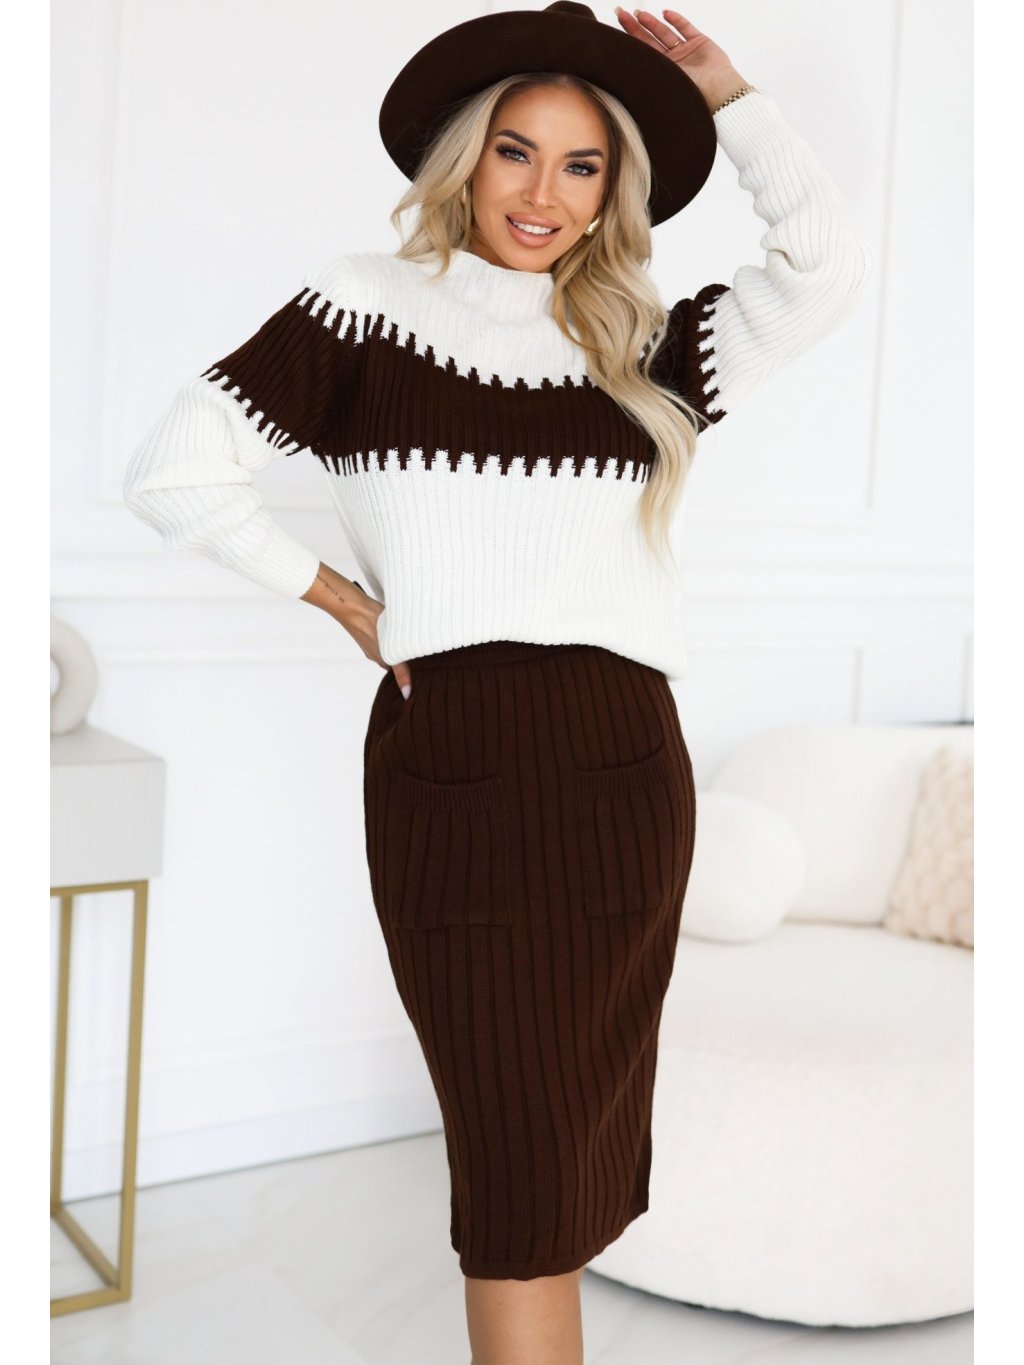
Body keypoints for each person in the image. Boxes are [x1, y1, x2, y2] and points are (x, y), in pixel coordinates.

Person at [122, 5, 872, 1362]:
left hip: (623, 770)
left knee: (562, 1162)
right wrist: (343, 600)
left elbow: (823, 268)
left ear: (614, 188)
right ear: (464, 157)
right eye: (516, 151)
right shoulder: (362, 307)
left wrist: (731, 98)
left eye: (584, 165)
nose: (543, 193)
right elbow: (174, 468)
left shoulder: (644, 341)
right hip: (452, 768)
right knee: (516, 1178)